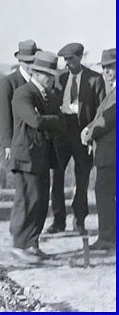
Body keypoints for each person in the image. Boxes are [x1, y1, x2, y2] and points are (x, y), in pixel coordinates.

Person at [47, 43, 105, 235]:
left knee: (82, 179)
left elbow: (100, 110)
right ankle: (58, 220)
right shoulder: (60, 78)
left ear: (80, 57)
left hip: (82, 134)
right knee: (57, 178)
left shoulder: (95, 79)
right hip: (61, 133)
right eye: (65, 60)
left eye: (71, 59)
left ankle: (79, 221)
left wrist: (91, 133)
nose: (67, 63)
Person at [9, 50, 62, 264]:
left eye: (52, 76)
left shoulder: (46, 95)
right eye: (47, 76)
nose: (50, 80)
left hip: (42, 156)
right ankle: (19, 245)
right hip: (26, 156)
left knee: (41, 202)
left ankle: (32, 243)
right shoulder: (24, 93)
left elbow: (51, 121)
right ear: (37, 73)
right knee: (27, 201)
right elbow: (36, 121)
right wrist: (56, 119)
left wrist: (53, 120)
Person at [81, 48, 116, 250]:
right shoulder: (112, 91)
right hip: (108, 153)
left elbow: (107, 120)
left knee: (104, 194)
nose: (106, 72)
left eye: (111, 67)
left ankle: (107, 238)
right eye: (104, 68)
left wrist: (88, 132)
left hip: (111, 155)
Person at [0, 40, 39, 161]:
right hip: (18, 143)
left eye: (33, 61)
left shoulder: (39, 81)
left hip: (38, 144)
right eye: (27, 62)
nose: (31, 65)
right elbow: (3, 115)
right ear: (20, 61)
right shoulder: (8, 83)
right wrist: (7, 144)